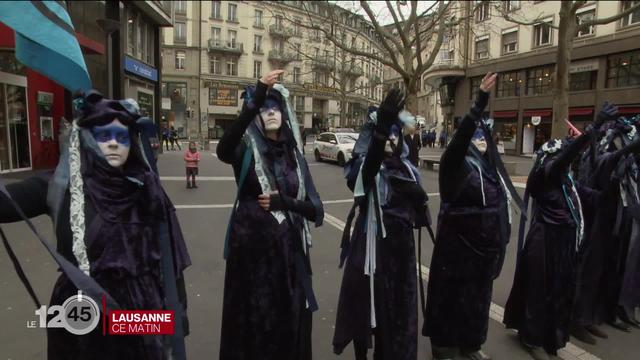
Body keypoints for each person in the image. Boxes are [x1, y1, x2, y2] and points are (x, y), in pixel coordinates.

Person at [0, 91, 191, 360]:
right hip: (81, 316)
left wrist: (176, 316)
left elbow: (170, 259)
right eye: (104, 136)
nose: (114, 144)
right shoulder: (61, 185)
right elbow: (5, 203)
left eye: (122, 137)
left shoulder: (148, 189)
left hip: (143, 314)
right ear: (88, 139)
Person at [216, 70, 324, 360]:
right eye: (265, 108)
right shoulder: (244, 150)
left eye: (276, 107)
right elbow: (223, 149)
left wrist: (286, 202)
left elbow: (317, 210)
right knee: (256, 326)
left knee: (287, 326)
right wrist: (258, 95)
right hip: (253, 258)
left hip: (290, 259)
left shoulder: (294, 155)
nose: (271, 112)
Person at [422, 73, 522, 360]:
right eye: (475, 135)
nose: (480, 140)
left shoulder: (490, 167)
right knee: (452, 300)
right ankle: (444, 346)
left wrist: (499, 242)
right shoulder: (454, 164)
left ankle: (470, 342)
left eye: (484, 136)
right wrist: (479, 103)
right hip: (456, 253)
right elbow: (459, 141)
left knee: (477, 301)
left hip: (482, 254)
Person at [333, 90, 431, 360]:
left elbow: (419, 215)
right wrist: (380, 130)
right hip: (371, 249)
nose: (391, 136)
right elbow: (364, 176)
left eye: (394, 131)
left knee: (398, 314)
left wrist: (419, 205)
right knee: (366, 313)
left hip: (401, 253)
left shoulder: (408, 168)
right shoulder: (365, 163)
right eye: (385, 130)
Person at [502, 116, 608, 359]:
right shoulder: (545, 177)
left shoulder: (567, 183)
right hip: (544, 243)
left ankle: (549, 337)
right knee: (539, 292)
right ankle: (531, 338)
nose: (565, 165)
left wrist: (614, 174)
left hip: (564, 247)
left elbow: (595, 197)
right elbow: (561, 162)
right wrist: (588, 134)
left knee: (557, 293)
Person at [571, 107, 640, 344]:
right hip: (593, 215)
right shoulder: (601, 149)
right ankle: (577, 320)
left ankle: (590, 316)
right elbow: (599, 163)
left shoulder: (621, 157)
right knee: (587, 270)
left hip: (612, 215)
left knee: (601, 270)